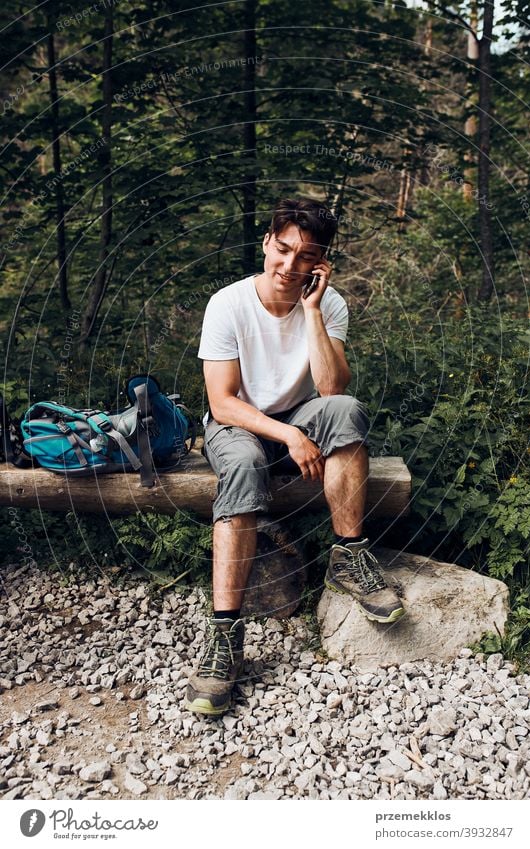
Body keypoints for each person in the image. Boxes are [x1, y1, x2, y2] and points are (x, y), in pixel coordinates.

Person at [186, 197, 404, 716]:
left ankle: (349, 556)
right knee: (241, 465)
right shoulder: (228, 304)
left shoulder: (329, 305)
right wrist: (286, 436)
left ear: (320, 262)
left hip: (300, 419)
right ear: (266, 243)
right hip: (239, 424)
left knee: (347, 410)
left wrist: (311, 312)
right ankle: (225, 636)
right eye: (281, 250)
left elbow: (329, 389)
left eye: (304, 257)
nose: (288, 266)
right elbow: (223, 401)